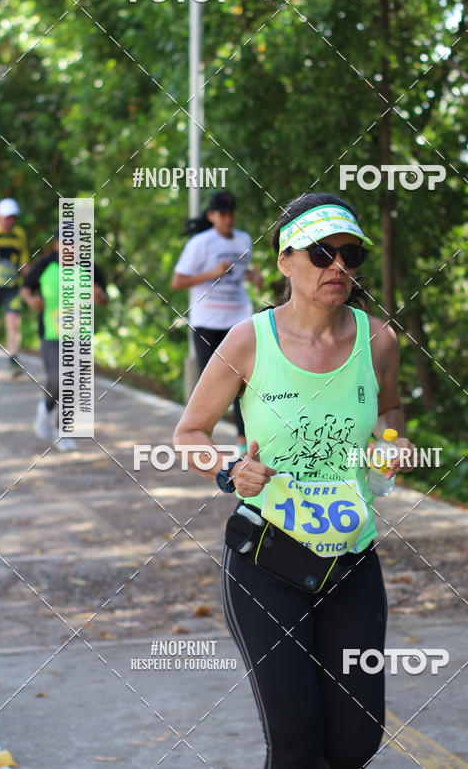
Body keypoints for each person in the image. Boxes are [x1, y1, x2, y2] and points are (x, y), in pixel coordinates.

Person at [173, 192, 416, 769]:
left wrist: (394, 446)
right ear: (284, 261)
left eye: (349, 255)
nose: (337, 266)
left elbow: (391, 417)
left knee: (356, 741)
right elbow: (189, 435)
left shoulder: (378, 340)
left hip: (352, 559)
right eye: (319, 253)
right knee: (297, 742)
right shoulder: (248, 341)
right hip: (268, 562)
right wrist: (230, 470)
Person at [171, 191, 262, 453]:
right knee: (211, 385)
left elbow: (241, 273)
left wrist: (253, 278)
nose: (228, 219)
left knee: (245, 382)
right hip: (208, 322)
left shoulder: (244, 239)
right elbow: (177, 282)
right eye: (222, 214)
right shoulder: (200, 243)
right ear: (211, 215)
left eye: (232, 213)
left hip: (238, 320)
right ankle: (199, 443)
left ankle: (245, 444)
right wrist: (212, 273)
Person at [22, 231, 108, 452]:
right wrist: (32, 301)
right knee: (58, 379)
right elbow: (26, 289)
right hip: (51, 334)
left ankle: (63, 430)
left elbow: (103, 296)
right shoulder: (44, 266)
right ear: (57, 245)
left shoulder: (89, 268)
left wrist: (99, 297)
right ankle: (45, 408)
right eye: (66, 243)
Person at [0, 198, 29, 376]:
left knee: (14, 322)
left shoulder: (19, 234)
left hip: (12, 286)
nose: (9, 221)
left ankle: (13, 361)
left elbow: (23, 258)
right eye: (6, 217)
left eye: (13, 217)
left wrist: (28, 270)